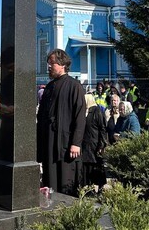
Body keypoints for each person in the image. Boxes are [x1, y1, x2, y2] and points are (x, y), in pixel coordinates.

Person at [36, 48, 86, 196]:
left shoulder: (74, 86)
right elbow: (42, 115)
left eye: (52, 63)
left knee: (66, 181)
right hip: (49, 143)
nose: (49, 66)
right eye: (48, 63)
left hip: (66, 144)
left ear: (62, 64)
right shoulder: (49, 87)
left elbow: (80, 116)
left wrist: (76, 143)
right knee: (50, 181)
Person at [81, 94, 107, 191]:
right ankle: (88, 186)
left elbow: (102, 128)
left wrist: (102, 144)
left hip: (94, 143)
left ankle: (100, 186)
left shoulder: (97, 111)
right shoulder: (85, 111)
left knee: (96, 164)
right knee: (87, 165)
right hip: (86, 143)